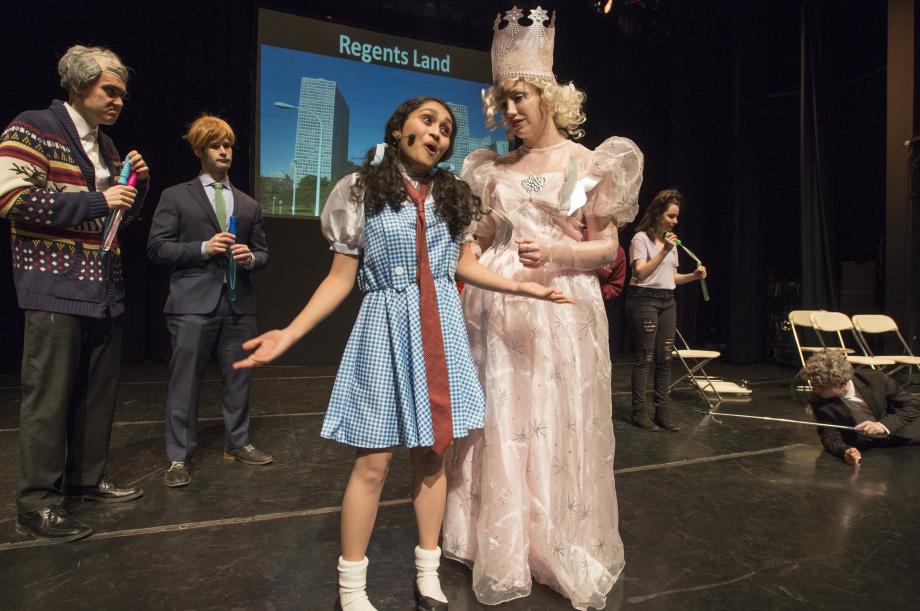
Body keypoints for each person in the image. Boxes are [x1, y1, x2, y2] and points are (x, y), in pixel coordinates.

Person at [233, 97, 571, 611]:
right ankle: (351, 589)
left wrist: (525, 289)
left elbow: (463, 267)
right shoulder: (360, 188)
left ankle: (428, 574)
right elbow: (338, 279)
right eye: (428, 121)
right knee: (372, 465)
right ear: (399, 129)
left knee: (434, 458)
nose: (437, 133)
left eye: (447, 128)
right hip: (384, 331)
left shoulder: (454, 196)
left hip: (443, 332)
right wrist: (289, 333)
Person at [443, 7, 643, 609]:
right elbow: (475, 237)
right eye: (503, 103)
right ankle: (497, 537)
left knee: (555, 415)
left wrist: (556, 250)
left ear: (549, 97)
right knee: (501, 414)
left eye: (519, 99)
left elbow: (607, 247)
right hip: (497, 307)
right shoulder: (491, 169)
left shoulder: (588, 162)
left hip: (562, 304)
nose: (510, 113)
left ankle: (554, 537)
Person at [0, 45, 148, 542]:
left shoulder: (106, 147)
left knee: (95, 394)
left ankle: (85, 480)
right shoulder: (33, 127)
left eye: (122, 94)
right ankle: (37, 503)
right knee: (49, 398)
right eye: (110, 91)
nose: (118, 101)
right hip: (55, 285)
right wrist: (97, 197)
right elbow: (11, 198)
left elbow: (112, 219)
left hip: (102, 286)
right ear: (78, 86)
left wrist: (135, 189)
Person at [147, 115, 271, 488]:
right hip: (191, 304)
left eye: (228, 145)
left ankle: (238, 442)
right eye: (216, 145)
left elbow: (264, 253)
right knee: (185, 382)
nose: (224, 151)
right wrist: (202, 247)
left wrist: (251, 258)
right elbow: (157, 247)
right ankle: (178, 457)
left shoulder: (248, 204)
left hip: (237, 304)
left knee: (239, 380)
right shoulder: (176, 196)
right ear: (200, 150)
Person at [626, 188, 706, 432]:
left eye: (676, 217)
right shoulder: (641, 239)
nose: (675, 221)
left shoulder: (671, 244)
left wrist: (693, 276)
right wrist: (663, 251)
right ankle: (639, 411)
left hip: (667, 300)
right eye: (671, 216)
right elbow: (640, 273)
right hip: (644, 300)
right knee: (645, 357)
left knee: (665, 358)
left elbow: (671, 278)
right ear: (658, 213)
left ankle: (662, 410)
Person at [804, 350, 920, 464]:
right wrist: (844, 450)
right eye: (813, 384)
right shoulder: (817, 398)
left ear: (843, 383)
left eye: (821, 386)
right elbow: (829, 434)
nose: (816, 390)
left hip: (907, 439)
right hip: (872, 453)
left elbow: (912, 405)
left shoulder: (875, 379)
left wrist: (882, 425)